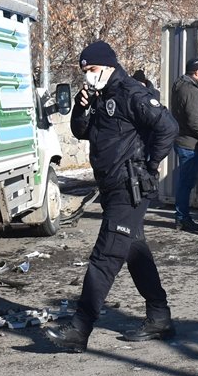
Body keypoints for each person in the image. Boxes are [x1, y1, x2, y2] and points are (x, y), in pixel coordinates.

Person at [46, 41, 179, 352]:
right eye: (85, 72)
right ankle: (159, 317)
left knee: (105, 257)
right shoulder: (101, 94)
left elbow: (168, 127)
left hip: (129, 187)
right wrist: (81, 105)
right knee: (134, 250)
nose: (88, 76)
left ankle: (80, 329)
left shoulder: (131, 92)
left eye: (91, 70)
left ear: (107, 65)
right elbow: (82, 131)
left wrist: (150, 164)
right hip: (112, 186)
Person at [171, 57, 198, 231]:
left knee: (185, 182)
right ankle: (182, 219)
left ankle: (182, 217)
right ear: (197, 72)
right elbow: (195, 120)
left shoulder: (180, 85)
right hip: (190, 143)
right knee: (186, 183)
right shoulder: (190, 91)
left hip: (184, 140)